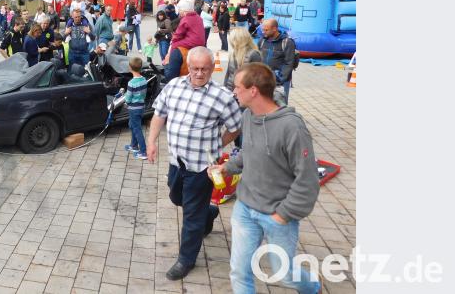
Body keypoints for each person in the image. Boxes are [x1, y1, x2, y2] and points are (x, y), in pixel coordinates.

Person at [213, 63, 320, 294]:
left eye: (237, 87)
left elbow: (308, 180)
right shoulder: (249, 116)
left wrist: (283, 214)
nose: (233, 92)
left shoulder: (292, 127)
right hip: (245, 209)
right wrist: (228, 168)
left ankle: (312, 287)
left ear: (253, 91)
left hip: (277, 213)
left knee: (285, 274)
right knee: (239, 271)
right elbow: (249, 151)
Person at [146, 47, 242, 280]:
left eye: (205, 69)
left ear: (211, 69)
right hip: (176, 161)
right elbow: (159, 113)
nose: (200, 73)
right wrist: (151, 141)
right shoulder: (174, 86)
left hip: (202, 167)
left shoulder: (222, 96)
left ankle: (186, 259)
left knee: (191, 216)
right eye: (196, 68)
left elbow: (236, 126)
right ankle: (208, 213)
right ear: (189, 67)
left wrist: (219, 144)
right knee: (176, 197)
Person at [164, 0, 205, 82]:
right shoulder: (198, 18)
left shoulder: (185, 19)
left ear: (184, 11)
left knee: (174, 45)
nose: (179, 12)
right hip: (200, 42)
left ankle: (170, 58)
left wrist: (172, 46)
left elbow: (178, 34)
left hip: (191, 42)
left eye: (179, 10)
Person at [259, 19, 296, 103]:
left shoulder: (287, 42)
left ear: (274, 29)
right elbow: (258, 58)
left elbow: (289, 63)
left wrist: (280, 79)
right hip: (264, 78)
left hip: (280, 81)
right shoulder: (262, 40)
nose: (263, 32)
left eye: (266, 30)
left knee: (280, 104)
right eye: (263, 29)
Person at [124, 57, 149, 160]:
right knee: (132, 125)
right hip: (141, 107)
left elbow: (128, 97)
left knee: (137, 128)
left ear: (130, 68)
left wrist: (126, 100)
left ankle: (143, 151)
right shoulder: (144, 80)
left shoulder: (131, 83)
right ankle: (133, 145)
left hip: (133, 108)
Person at [224, 27, 262, 92]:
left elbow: (257, 79)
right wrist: (225, 89)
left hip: (245, 93)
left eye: (232, 39)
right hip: (231, 90)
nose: (230, 42)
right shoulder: (233, 53)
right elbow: (228, 73)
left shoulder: (254, 54)